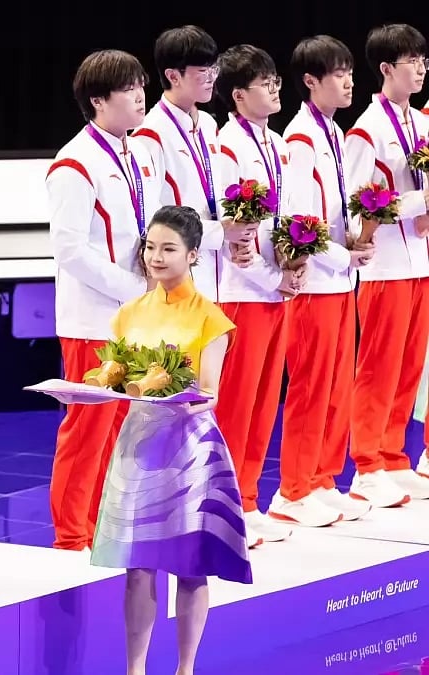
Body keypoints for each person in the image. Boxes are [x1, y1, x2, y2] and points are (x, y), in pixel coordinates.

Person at [89, 205, 251, 675]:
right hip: (138, 442)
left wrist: (182, 396)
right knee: (137, 565)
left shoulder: (210, 318)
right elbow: (114, 373)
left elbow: (209, 393)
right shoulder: (129, 313)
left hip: (189, 449)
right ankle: (135, 668)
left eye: (168, 249)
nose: (155, 257)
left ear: (193, 254)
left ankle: (186, 668)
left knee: (190, 562)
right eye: (150, 247)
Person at [45, 50, 161, 551]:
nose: (141, 95)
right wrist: (137, 289)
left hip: (137, 317)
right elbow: (70, 250)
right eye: (128, 88)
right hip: (93, 320)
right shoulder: (74, 162)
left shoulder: (138, 154)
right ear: (98, 100)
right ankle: (71, 537)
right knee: (88, 427)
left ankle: (104, 526)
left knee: (124, 427)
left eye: (141, 84)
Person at [276, 37, 374, 527]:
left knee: (337, 385)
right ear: (311, 81)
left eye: (350, 71)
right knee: (311, 386)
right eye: (338, 73)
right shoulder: (299, 139)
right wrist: (342, 253)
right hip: (315, 279)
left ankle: (323, 478)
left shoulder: (333, 133)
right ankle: (292, 490)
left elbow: (334, 207)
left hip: (340, 278)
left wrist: (356, 236)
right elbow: (296, 218)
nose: (348, 81)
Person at [210, 44, 300, 545]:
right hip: (241, 290)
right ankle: (223, 506)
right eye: (264, 83)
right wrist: (270, 276)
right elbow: (236, 233)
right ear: (239, 95)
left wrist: (294, 261)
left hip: (276, 288)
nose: (274, 89)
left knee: (266, 401)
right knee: (237, 405)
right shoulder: (226, 146)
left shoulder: (280, 145)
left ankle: (247, 498)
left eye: (275, 81)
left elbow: (282, 218)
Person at [343, 24, 429, 505]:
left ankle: (394, 455)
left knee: (410, 366)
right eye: (411, 61)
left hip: (420, 262)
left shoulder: (423, 124)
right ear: (385, 69)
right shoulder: (366, 130)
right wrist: (419, 202)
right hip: (384, 267)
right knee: (378, 366)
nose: (420, 69)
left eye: (424, 61)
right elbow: (358, 205)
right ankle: (366, 464)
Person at [134, 26, 255, 301]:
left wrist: (234, 236)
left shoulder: (210, 125)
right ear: (173, 76)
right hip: (176, 275)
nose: (212, 78)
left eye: (214, 69)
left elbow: (216, 194)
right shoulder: (149, 134)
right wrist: (219, 232)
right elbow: (152, 216)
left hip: (214, 271)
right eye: (203, 71)